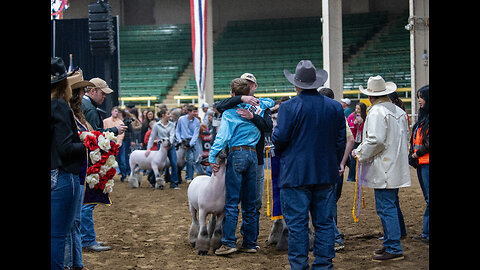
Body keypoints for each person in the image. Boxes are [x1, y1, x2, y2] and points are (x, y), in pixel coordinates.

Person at [272, 60, 346, 269]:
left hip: (295, 174)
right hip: (325, 172)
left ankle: (300, 266)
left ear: (297, 84)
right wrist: (332, 162)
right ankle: (323, 265)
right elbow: (340, 142)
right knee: (324, 224)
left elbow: (280, 138)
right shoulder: (334, 107)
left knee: (297, 226)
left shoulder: (288, 107)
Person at [352, 75, 411, 262]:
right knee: (390, 204)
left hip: (384, 166)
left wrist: (359, 152)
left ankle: (393, 246)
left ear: (370, 96)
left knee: (386, 207)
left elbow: (375, 140)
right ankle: (390, 243)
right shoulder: (398, 111)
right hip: (395, 165)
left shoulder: (377, 112)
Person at [215, 72, 274, 250]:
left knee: (250, 202)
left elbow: (268, 127)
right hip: (245, 157)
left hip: (253, 159)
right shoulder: (233, 103)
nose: (248, 86)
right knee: (236, 200)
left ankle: (246, 240)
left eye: (250, 84)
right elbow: (219, 105)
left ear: (254, 87)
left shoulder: (260, 105)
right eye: (244, 84)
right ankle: (240, 240)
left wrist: (252, 117)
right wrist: (243, 99)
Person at [80, 77, 126, 252]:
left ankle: (87, 238)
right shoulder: (90, 109)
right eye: (103, 93)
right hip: (89, 160)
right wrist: (114, 130)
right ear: (93, 91)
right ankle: (87, 239)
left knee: (86, 201)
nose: (105, 97)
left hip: (85, 159)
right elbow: (95, 134)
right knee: (88, 201)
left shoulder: (86, 106)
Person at [51, 57, 86, 270]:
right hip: (63, 176)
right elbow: (65, 149)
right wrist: (88, 144)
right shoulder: (60, 107)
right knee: (58, 235)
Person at [64, 68, 95, 270]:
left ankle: (74, 262)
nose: (84, 94)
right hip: (74, 172)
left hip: (79, 173)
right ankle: (71, 263)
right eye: (81, 91)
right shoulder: (71, 117)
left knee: (72, 223)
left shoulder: (76, 118)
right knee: (69, 223)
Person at [318, 86, 355, 252]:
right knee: (332, 199)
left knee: (325, 200)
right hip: (335, 163)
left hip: (321, 164)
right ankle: (332, 233)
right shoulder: (339, 114)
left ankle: (334, 236)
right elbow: (351, 140)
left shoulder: (318, 115)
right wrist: (342, 161)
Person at [410, 84, 429, 244]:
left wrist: (417, 153)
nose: (419, 100)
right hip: (422, 164)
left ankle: (427, 232)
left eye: (421, 97)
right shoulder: (423, 120)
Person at [146, 109, 180, 189]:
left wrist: (170, 143)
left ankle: (174, 183)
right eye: (168, 114)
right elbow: (152, 137)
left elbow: (172, 134)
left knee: (174, 163)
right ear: (163, 115)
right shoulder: (157, 125)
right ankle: (153, 179)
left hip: (170, 146)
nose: (170, 115)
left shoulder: (172, 124)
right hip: (160, 146)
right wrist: (148, 148)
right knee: (158, 165)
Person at [175, 105, 202, 183]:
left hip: (193, 141)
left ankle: (194, 175)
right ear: (189, 112)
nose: (195, 113)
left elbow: (196, 134)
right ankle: (189, 177)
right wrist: (180, 140)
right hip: (183, 141)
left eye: (196, 111)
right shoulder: (181, 119)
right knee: (189, 159)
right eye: (194, 112)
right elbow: (177, 130)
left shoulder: (197, 121)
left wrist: (190, 143)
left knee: (196, 159)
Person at [346, 102, 367, 182]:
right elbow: (349, 126)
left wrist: (362, 123)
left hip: (362, 140)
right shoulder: (351, 116)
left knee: (364, 159)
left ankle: (364, 178)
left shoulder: (366, 117)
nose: (357, 110)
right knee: (353, 160)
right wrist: (354, 123)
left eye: (359, 109)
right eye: (356, 108)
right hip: (354, 140)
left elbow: (367, 128)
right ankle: (351, 177)